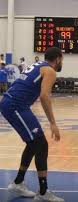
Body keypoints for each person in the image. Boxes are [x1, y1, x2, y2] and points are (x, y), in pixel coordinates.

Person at [0, 47, 64, 201]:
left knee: (35, 143)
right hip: (15, 105)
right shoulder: (49, 71)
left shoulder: (38, 66)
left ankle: (18, 183)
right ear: (58, 59)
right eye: (62, 60)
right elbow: (44, 96)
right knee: (40, 143)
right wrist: (53, 123)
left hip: (14, 103)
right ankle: (42, 192)